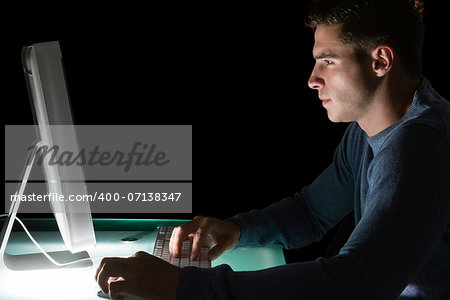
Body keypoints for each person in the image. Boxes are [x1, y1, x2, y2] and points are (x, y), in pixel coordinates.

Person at [96, 0, 450, 299]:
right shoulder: (370, 129)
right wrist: (235, 230)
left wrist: (182, 286)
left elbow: (359, 281)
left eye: (328, 61)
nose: (313, 79)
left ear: (380, 61)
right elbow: (311, 212)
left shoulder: (420, 144)